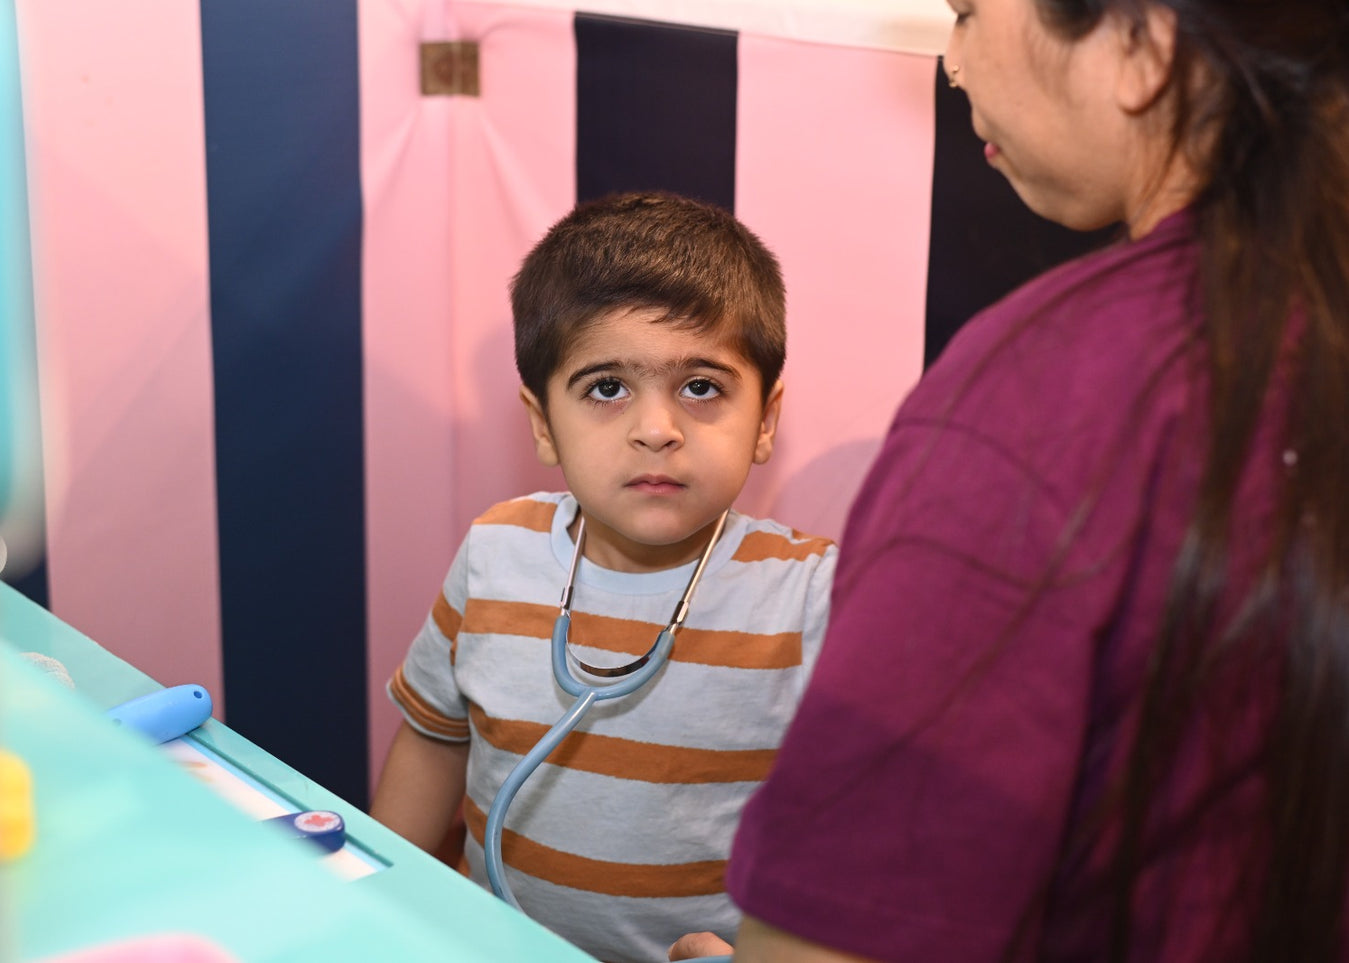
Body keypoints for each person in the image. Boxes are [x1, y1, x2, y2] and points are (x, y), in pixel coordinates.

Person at [669, 0, 1349, 960]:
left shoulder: (1046, 393)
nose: (953, 64)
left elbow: (846, 928)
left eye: (966, 13)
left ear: (1140, 45)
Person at [369, 191, 837, 963]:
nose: (656, 428)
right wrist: (388, 902)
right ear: (542, 422)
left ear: (765, 420)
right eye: (606, 388)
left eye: (701, 386)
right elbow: (432, 739)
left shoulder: (808, 595)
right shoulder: (496, 553)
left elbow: (867, 835)